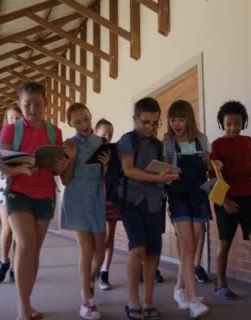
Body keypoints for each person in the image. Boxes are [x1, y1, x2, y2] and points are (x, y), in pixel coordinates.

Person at [0, 82, 70, 320]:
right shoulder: (11, 130)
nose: (32, 109)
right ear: (20, 104)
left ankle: (28, 303)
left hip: (45, 194)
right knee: (26, 245)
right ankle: (22, 309)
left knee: (34, 251)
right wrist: (23, 169)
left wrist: (61, 166)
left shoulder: (54, 132)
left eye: (37, 104)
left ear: (46, 104)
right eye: (27, 104)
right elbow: (3, 166)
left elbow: (57, 168)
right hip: (18, 193)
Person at [210, 101, 251, 304]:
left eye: (237, 123)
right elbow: (212, 178)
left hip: (248, 198)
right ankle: (220, 284)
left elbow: (250, 169)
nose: (233, 128)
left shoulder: (248, 141)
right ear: (222, 124)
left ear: (243, 123)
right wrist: (224, 201)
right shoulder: (216, 145)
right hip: (226, 200)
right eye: (229, 123)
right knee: (225, 243)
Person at [118, 97, 179, 320]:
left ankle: (149, 301)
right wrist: (156, 177)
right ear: (135, 119)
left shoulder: (158, 145)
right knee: (137, 250)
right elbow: (128, 170)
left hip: (155, 202)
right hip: (132, 202)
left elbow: (160, 173)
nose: (151, 127)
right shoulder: (127, 140)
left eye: (155, 123)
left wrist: (168, 178)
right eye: (146, 122)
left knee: (153, 254)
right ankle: (133, 300)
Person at [60, 103, 111, 319]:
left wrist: (107, 165)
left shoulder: (100, 142)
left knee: (100, 252)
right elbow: (64, 179)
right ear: (71, 123)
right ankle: (86, 302)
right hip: (76, 198)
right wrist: (70, 158)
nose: (83, 124)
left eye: (86, 119)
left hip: (97, 198)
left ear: (91, 117)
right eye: (77, 121)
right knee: (87, 249)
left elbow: (103, 176)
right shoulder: (69, 144)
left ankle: (88, 282)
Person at [162, 100, 210, 318]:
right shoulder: (168, 142)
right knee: (188, 246)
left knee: (192, 245)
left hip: (200, 194)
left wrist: (213, 164)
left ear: (188, 119)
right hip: (178, 196)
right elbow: (164, 170)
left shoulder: (201, 138)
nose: (176, 124)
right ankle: (192, 299)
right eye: (172, 119)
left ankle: (179, 289)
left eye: (181, 119)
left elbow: (208, 165)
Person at [0, 105, 22, 283]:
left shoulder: (25, 137)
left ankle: (15, 266)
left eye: (18, 117)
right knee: (8, 228)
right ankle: (4, 261)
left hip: (22, 183)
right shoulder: (1, 136)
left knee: (19, 230)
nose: (15, 120)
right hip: (4, 184)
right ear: (6, 119)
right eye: (11, 117)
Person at [94, 118, 120, 291]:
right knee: (98, 237)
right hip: (96, 199)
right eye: (104, 135)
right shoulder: (91, 152)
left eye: (110, 135)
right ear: (96, 135)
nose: (107, 138)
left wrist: (110, 163)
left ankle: (105, 272)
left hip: (111, 197)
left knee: (110, 236)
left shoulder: (115, 152)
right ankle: (94, 267)